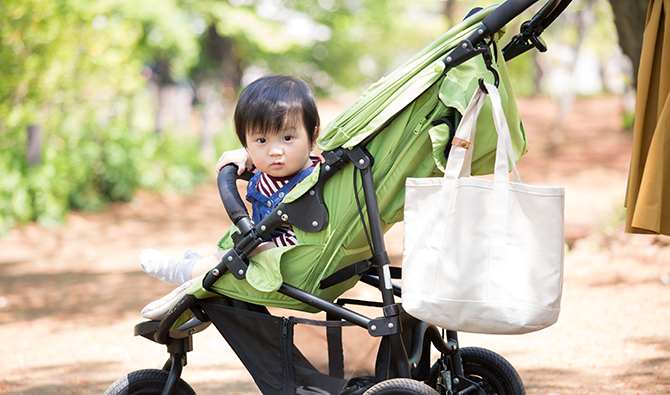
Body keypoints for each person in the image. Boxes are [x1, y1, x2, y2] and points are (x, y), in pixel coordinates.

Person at [139, 75, 321, 318]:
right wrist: (246, 156)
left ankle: (186, 273)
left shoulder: (314, 180)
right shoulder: (278, 166)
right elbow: (263, 156)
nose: (275, 151)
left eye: (288, 138)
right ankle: (204, 281)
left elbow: (307, 237)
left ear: (313, 137)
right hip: (264, 251)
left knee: (238, 254)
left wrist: (263, 246)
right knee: (240, 249)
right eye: (261, 140)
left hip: (288, 262)